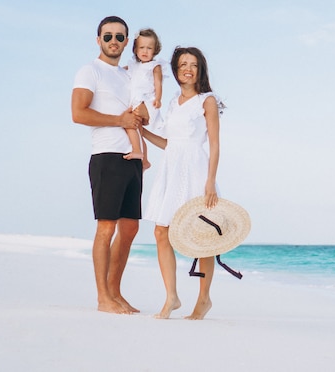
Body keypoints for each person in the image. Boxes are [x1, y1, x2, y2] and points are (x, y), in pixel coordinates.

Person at [71, 16, 148, 314]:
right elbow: (78, 113)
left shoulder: (129, 76)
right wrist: (119, 120)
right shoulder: (90, 71)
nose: (113, 41)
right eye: (108, 36)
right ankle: (103, 297)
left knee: (129, 229)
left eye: (119, 37)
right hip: (106, 157)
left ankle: (115, 292)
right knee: (106, 228)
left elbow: (140, 115)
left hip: (133, 160)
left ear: (127, 41)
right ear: (98, 40)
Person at [142, 46, 224, 320]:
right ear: (176, 71)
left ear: (200, 70)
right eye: (182, 64)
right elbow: (168, 143)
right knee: (161, 232)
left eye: (193, 64)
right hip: (171, 169)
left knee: (203, 238)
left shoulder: (207, 100)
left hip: (197, 170)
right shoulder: (172, 102)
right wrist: (141, 131)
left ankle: (203, 299)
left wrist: (210, 182)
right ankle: (172, 298)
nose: (187, 68)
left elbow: (214, 144)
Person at [123, 28, 166, 170]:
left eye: (149, 48)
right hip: (135, 100)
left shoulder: (154, 66)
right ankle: (145, 160)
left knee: (131, 125)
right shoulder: (133, 66)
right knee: (138, 130)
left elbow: (158, 83)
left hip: (146, 101)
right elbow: (121, 72)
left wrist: (158, 98)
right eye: (141, 47)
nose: (145, 51)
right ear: (135, 49)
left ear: (155, 50)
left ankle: (138, 152)